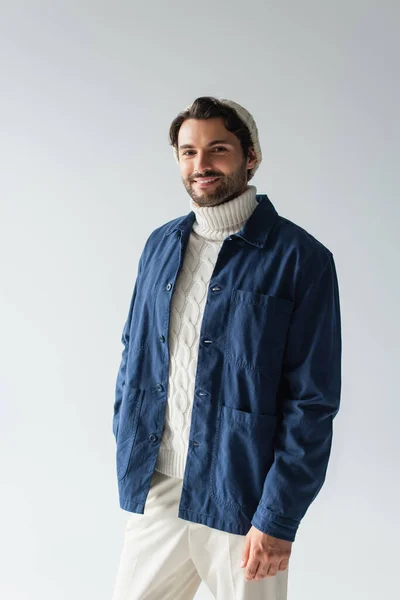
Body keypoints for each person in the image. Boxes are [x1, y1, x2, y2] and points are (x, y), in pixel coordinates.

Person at [111, 96, 342, 600]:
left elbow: (312, 401)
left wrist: (279, 517)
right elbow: (134, 354)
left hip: (243, 493)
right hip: (160, 485)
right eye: (188, 151)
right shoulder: (159, 245)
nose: (201, 165)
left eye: (217, 149)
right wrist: (127, 437)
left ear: (250, 155)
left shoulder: (301, 259)